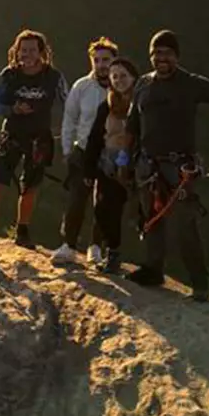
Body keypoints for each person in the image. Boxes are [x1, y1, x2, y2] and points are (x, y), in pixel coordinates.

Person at [126, 29, 209, 301]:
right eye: (156, 53)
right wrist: (127, 160)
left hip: (179, 167)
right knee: (151, 221)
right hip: (147, 165)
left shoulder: (190, 83)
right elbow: (133, 125)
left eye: (167, 53)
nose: (161, 58)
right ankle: (153, 270)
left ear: (177, 56)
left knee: (184, 224)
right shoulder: (142, 84)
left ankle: (200, 283)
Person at [0, 29, 65, 269]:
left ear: (41, 53)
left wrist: (61, 130)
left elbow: (66, 104)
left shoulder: (54, 77)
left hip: (39, 138)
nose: (27, 54)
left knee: (31, 187)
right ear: (16, 51)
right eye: (23, 50)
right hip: (12, 136)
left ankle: (22, 229)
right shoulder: (8, 76)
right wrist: (13, 109)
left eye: (32, 50)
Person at [51, 38, 119, 266]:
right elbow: (70, 118)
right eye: (97, 60)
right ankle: (68, 245)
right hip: (83, 150)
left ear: (114, 61)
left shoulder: (122, 87)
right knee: (76, 200)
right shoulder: (81, 86)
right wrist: (68, 150)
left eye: (106, 60)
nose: (101, 64)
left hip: (110, 152)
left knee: (104, 201)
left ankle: (96, 247)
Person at [80, 56, 142, 270]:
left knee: (139, 212)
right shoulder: (106, 106)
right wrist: (89, 167)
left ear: (133, 77)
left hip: (137, 163)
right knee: (104, 210)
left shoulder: (143, 102)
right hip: (109, 162)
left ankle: (150, 263)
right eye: (114, 76)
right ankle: (113, 251)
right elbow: (96, 137)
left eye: (123, 75)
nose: (118, 80)